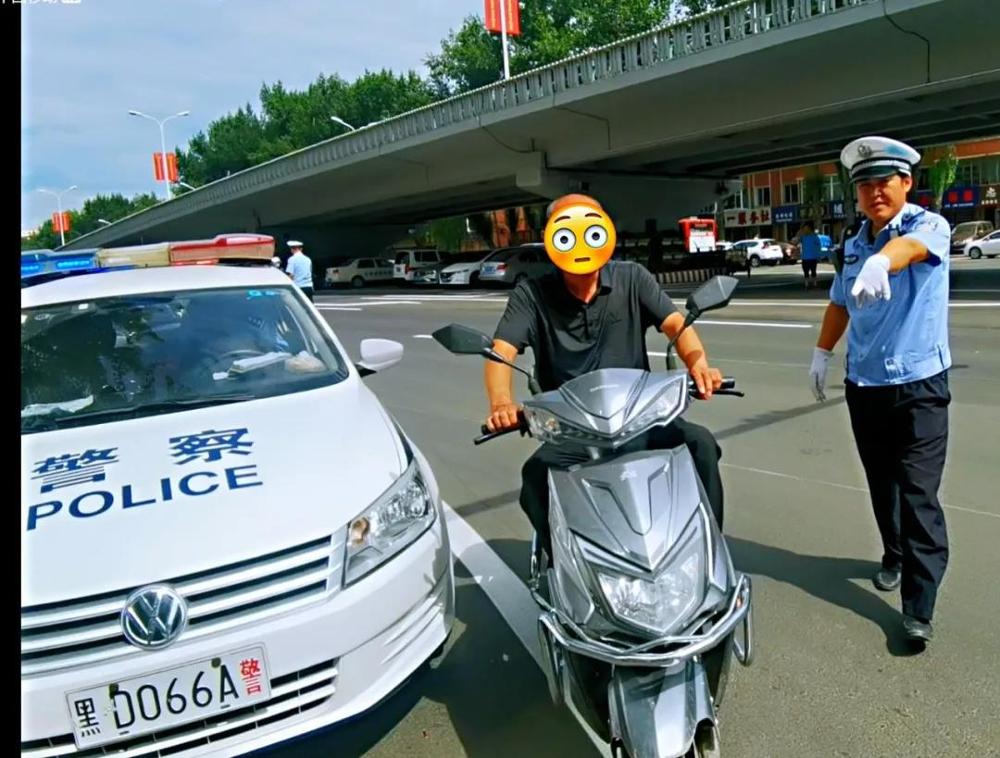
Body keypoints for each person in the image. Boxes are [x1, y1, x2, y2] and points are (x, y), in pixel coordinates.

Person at [485, 193, 725, 557]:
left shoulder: (632, 278)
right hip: (572, 431)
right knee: (535, 478)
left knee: (700, 445)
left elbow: (676, 325)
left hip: (642, 421)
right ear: (552, 238)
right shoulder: (531, 294)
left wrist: (699, 365)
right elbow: (501, 352)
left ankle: (708, 553)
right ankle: (563, 565)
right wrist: (501, 403)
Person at [808, 136, 951, 646]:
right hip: (865, 384)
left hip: (919, 385)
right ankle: (894, 554)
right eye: (864, 184)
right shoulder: (852, 242)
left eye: (883, 181)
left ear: (906, 182)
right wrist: (822, 352)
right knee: (881, 482)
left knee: (917, 493)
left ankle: (919, 606)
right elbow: (839, 303)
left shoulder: (929, 226)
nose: (874, 192)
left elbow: (907, 250)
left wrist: (882, 262)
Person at [795, 222, 822, 289]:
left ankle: (815, 284)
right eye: (804, 229)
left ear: (810, 229)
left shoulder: (814, 237)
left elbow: (818, 246)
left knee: (813, 271)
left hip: (813, 257)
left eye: (807, 228)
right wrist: (799, 232)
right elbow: (795, 241)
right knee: (806, 272)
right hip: (805, 258)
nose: (805, 230)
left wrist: (818, 255)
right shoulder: (803, 237)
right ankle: (806, 285)